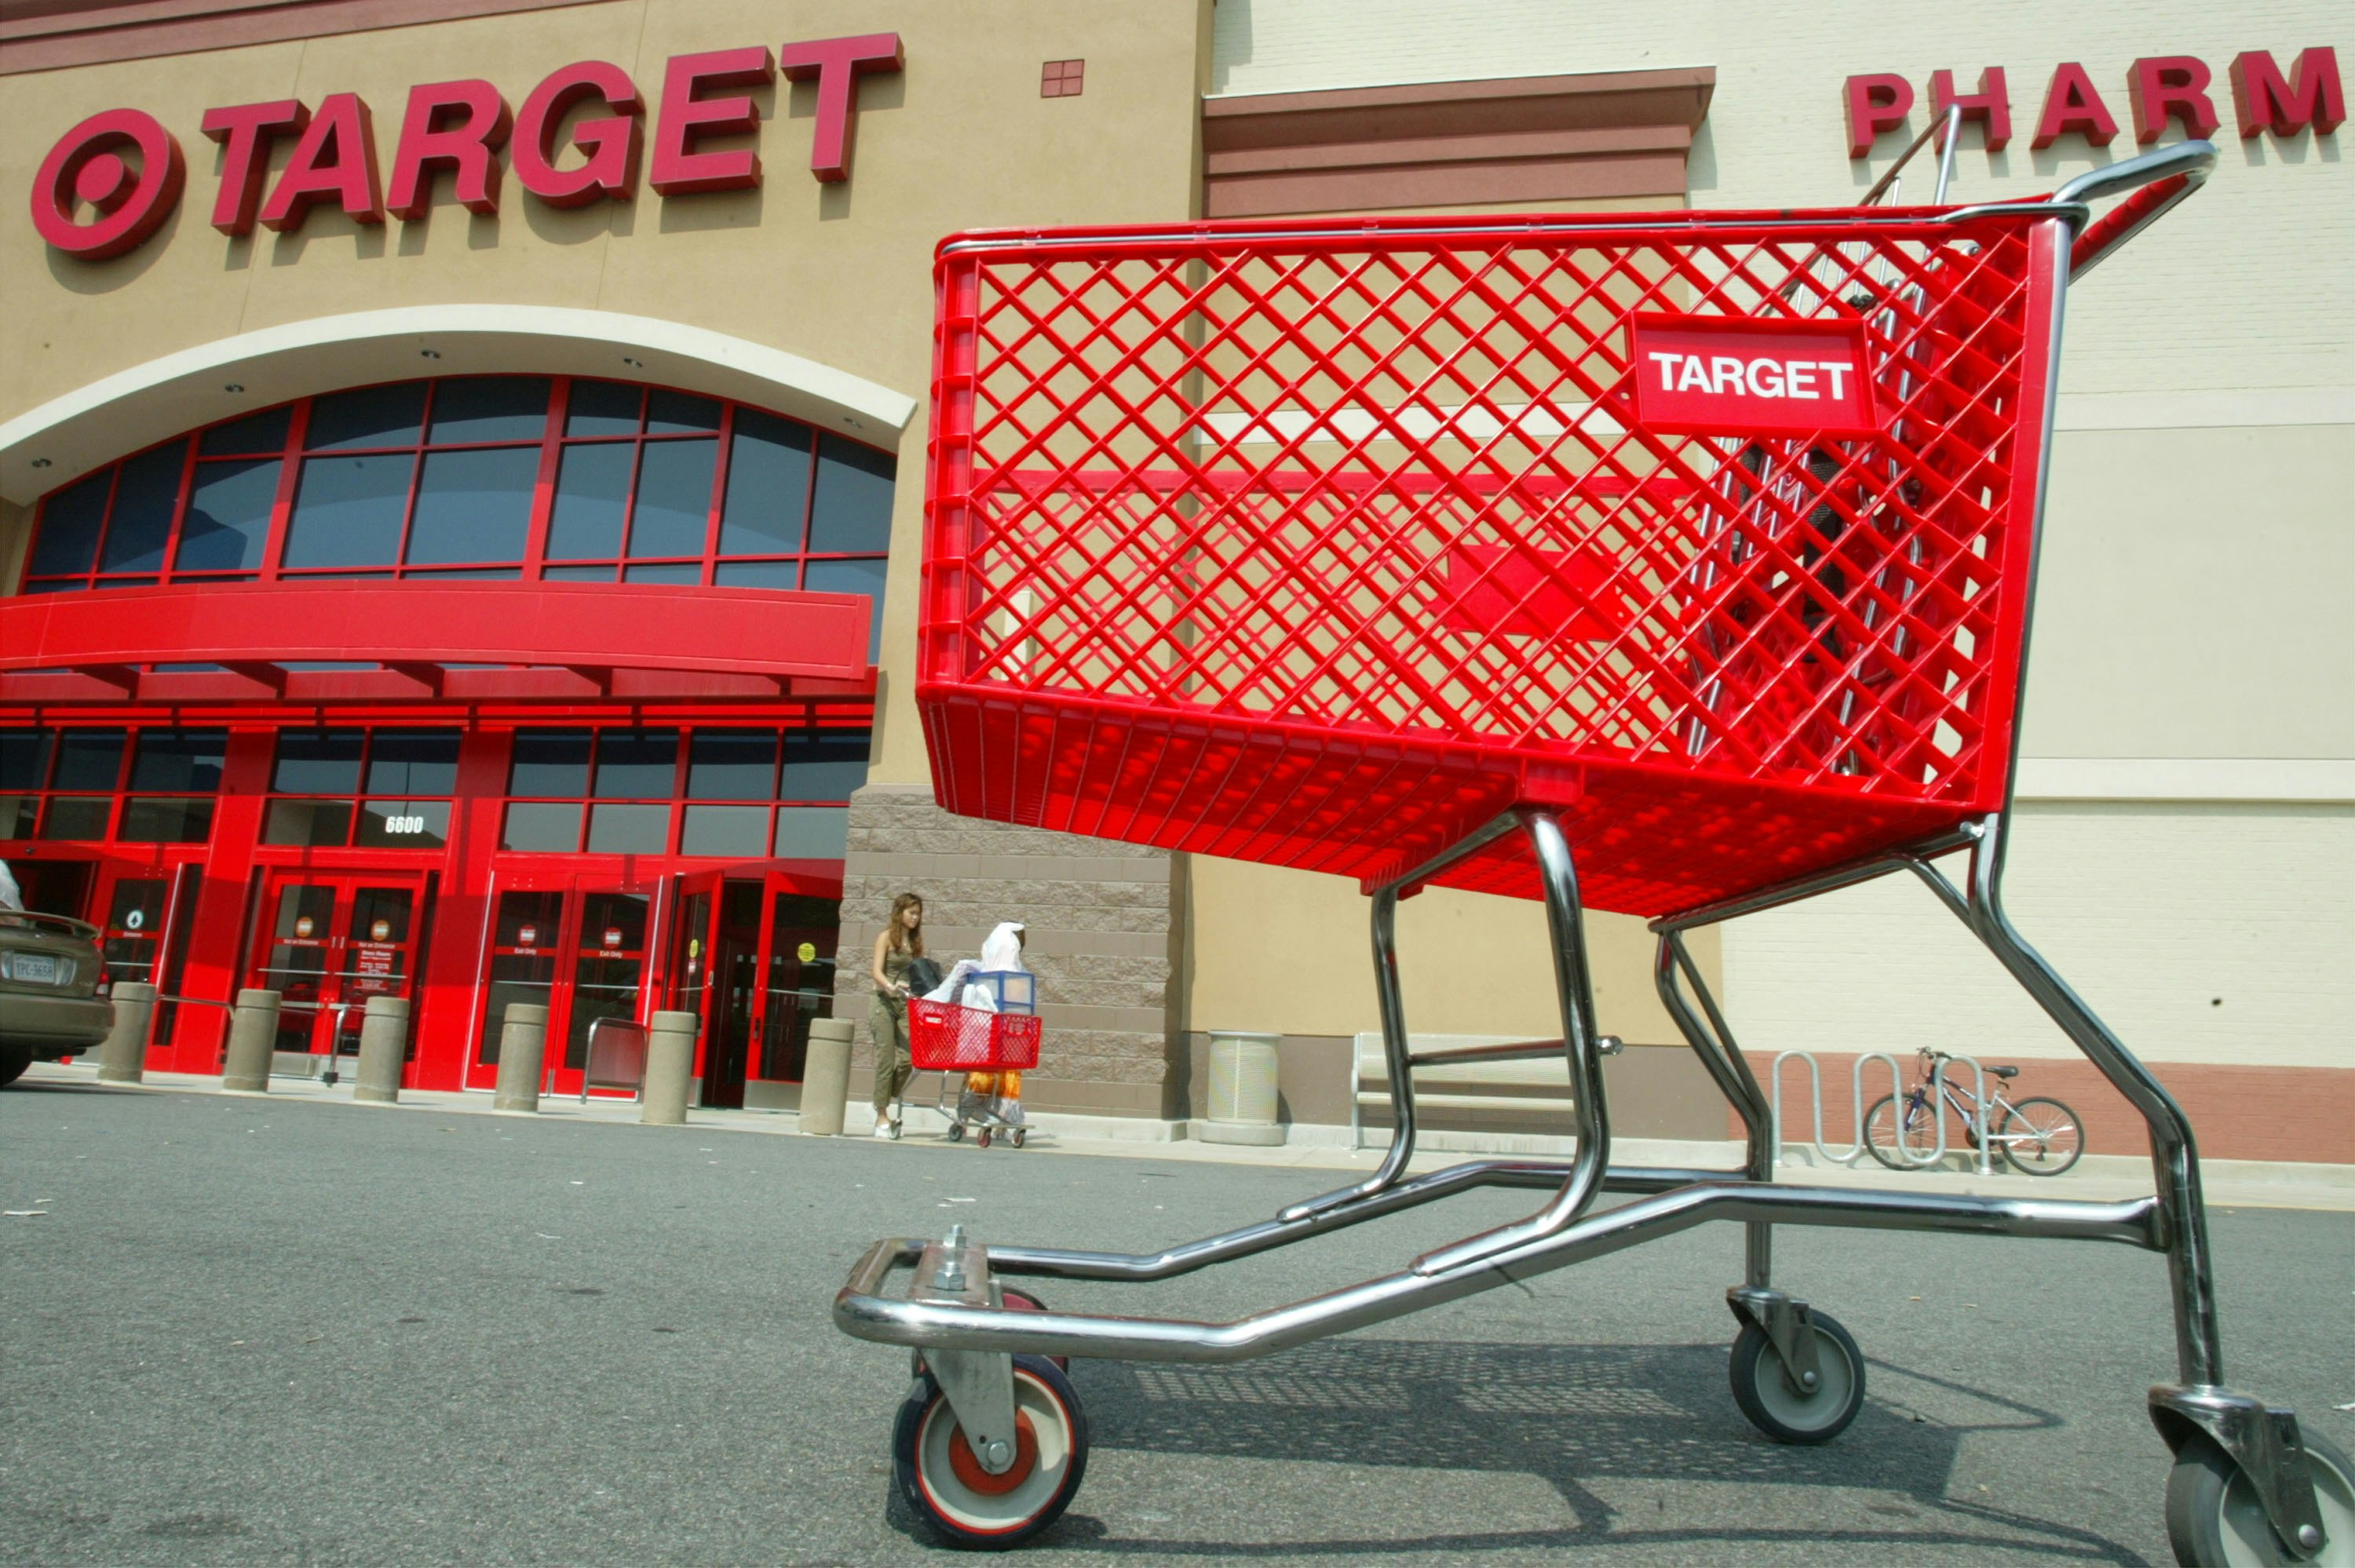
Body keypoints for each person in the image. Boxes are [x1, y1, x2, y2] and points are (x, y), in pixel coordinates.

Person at [867, 892, 925, 1139]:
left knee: (909, 1058)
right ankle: (882, 1115)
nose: (915, 918)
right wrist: (891, 986)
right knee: (886, 1059)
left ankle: (881, 1097)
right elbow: (876, 971)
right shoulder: (885, 938)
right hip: (883, 1001)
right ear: (900, 912)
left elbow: (919, 974)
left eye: (918, 914)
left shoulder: (915, 944)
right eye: (912, 913)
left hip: (904, 1004)